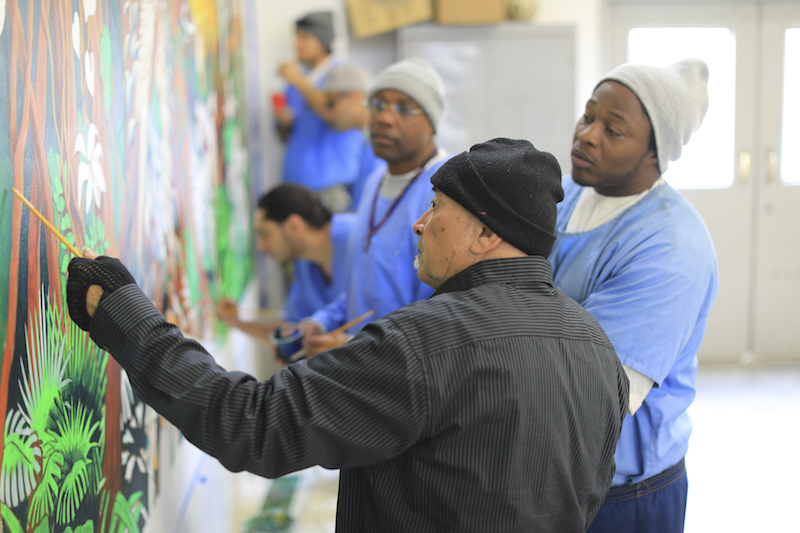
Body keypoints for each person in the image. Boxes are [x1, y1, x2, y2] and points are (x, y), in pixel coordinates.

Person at [66, 138, 629, 532]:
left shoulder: (422, 344)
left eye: (436, 209)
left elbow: (251, 423)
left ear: (485, 234)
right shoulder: (597, 347)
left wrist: (121, 310)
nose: (419, 222)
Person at [547, 59, 719, 533]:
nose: (587, 134)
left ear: (654, 152)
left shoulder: (670, 246)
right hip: (554, 469)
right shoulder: (568, 196)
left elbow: (598, 389)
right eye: (588, 116)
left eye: (614, 130)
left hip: (623, 492)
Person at [302, 57, 451, 357]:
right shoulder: (374, 182)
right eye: (379, 105)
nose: (385, 118)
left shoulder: (447, 194)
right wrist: (322, 322)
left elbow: (439, 320)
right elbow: (365, 286)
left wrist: (354, 347)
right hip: (363, 368)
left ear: (432, 123)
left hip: (405, 377)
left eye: (404, 109)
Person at [216, 184, 354, 345]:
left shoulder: (357, 241)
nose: (261, 246)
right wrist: (236, 322)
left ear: (294, 226)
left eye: (265, 234)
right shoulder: (304, 262)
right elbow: (294, 331)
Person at [275, 11, 364, 212]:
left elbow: (332, 113)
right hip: (297, 185)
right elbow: (285, 137)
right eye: (296, 37)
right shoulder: (299, 80)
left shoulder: (341, 75)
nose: (297, 44)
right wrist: (284, 123)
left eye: (304, 37)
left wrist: (297, 80)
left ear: (322, 40)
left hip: (331, 188)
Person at [321, 62, 382, 209]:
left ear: (354, 96)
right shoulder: (364, 140)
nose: (327, 115)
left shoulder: (382, 143)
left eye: (331, 103)